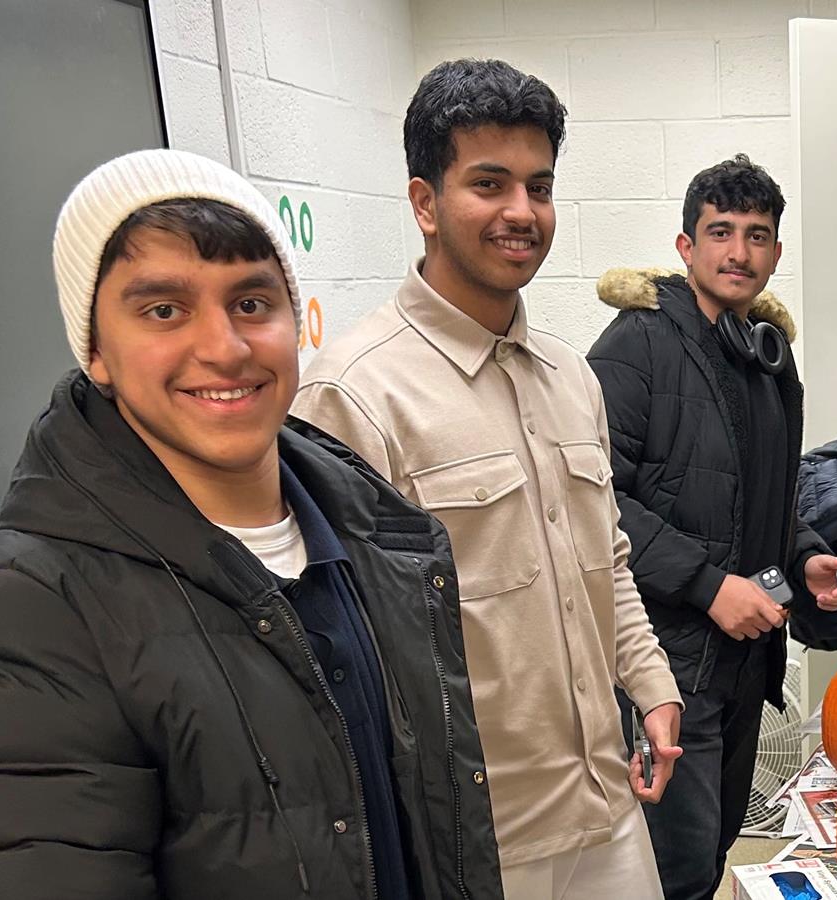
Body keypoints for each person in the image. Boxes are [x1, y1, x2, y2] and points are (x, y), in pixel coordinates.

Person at [0, 148, 501, 898]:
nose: (224, 349)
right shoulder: (42, 600)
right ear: (96, 350)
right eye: (163, 310)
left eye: (251, 303)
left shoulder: (377, 538)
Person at [293, 60, 680, 899]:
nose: (521, 212)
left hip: (609, 803)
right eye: (489, 183)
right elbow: (345, 651)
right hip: (477, 840)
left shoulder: (571, 375)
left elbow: (605, 558)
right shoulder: (353, 391)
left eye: (538, 187)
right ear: (425, 202)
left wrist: (649, 685)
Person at [587, 154, 837, 900]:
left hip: (746, 661)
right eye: (720, 232)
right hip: (667, 662)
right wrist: (708, 587)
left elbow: (769, 495)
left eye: (758, 235)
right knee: (672, 868)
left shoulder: (767, 356)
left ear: (776, 250)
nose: (739, 252)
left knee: (712, 854)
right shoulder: (635, 345)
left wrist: (804, 557)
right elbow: (592, 501)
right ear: (686, 246)